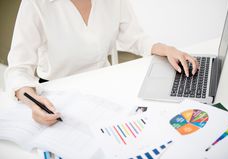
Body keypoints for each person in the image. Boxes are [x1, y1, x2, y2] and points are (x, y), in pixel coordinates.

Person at [5, 0, 199, 126]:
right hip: (58, 97)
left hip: (104, 86)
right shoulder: (36, 4)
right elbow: (18, 69)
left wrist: (166, 49)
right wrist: (33, 103)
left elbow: (135, 37)